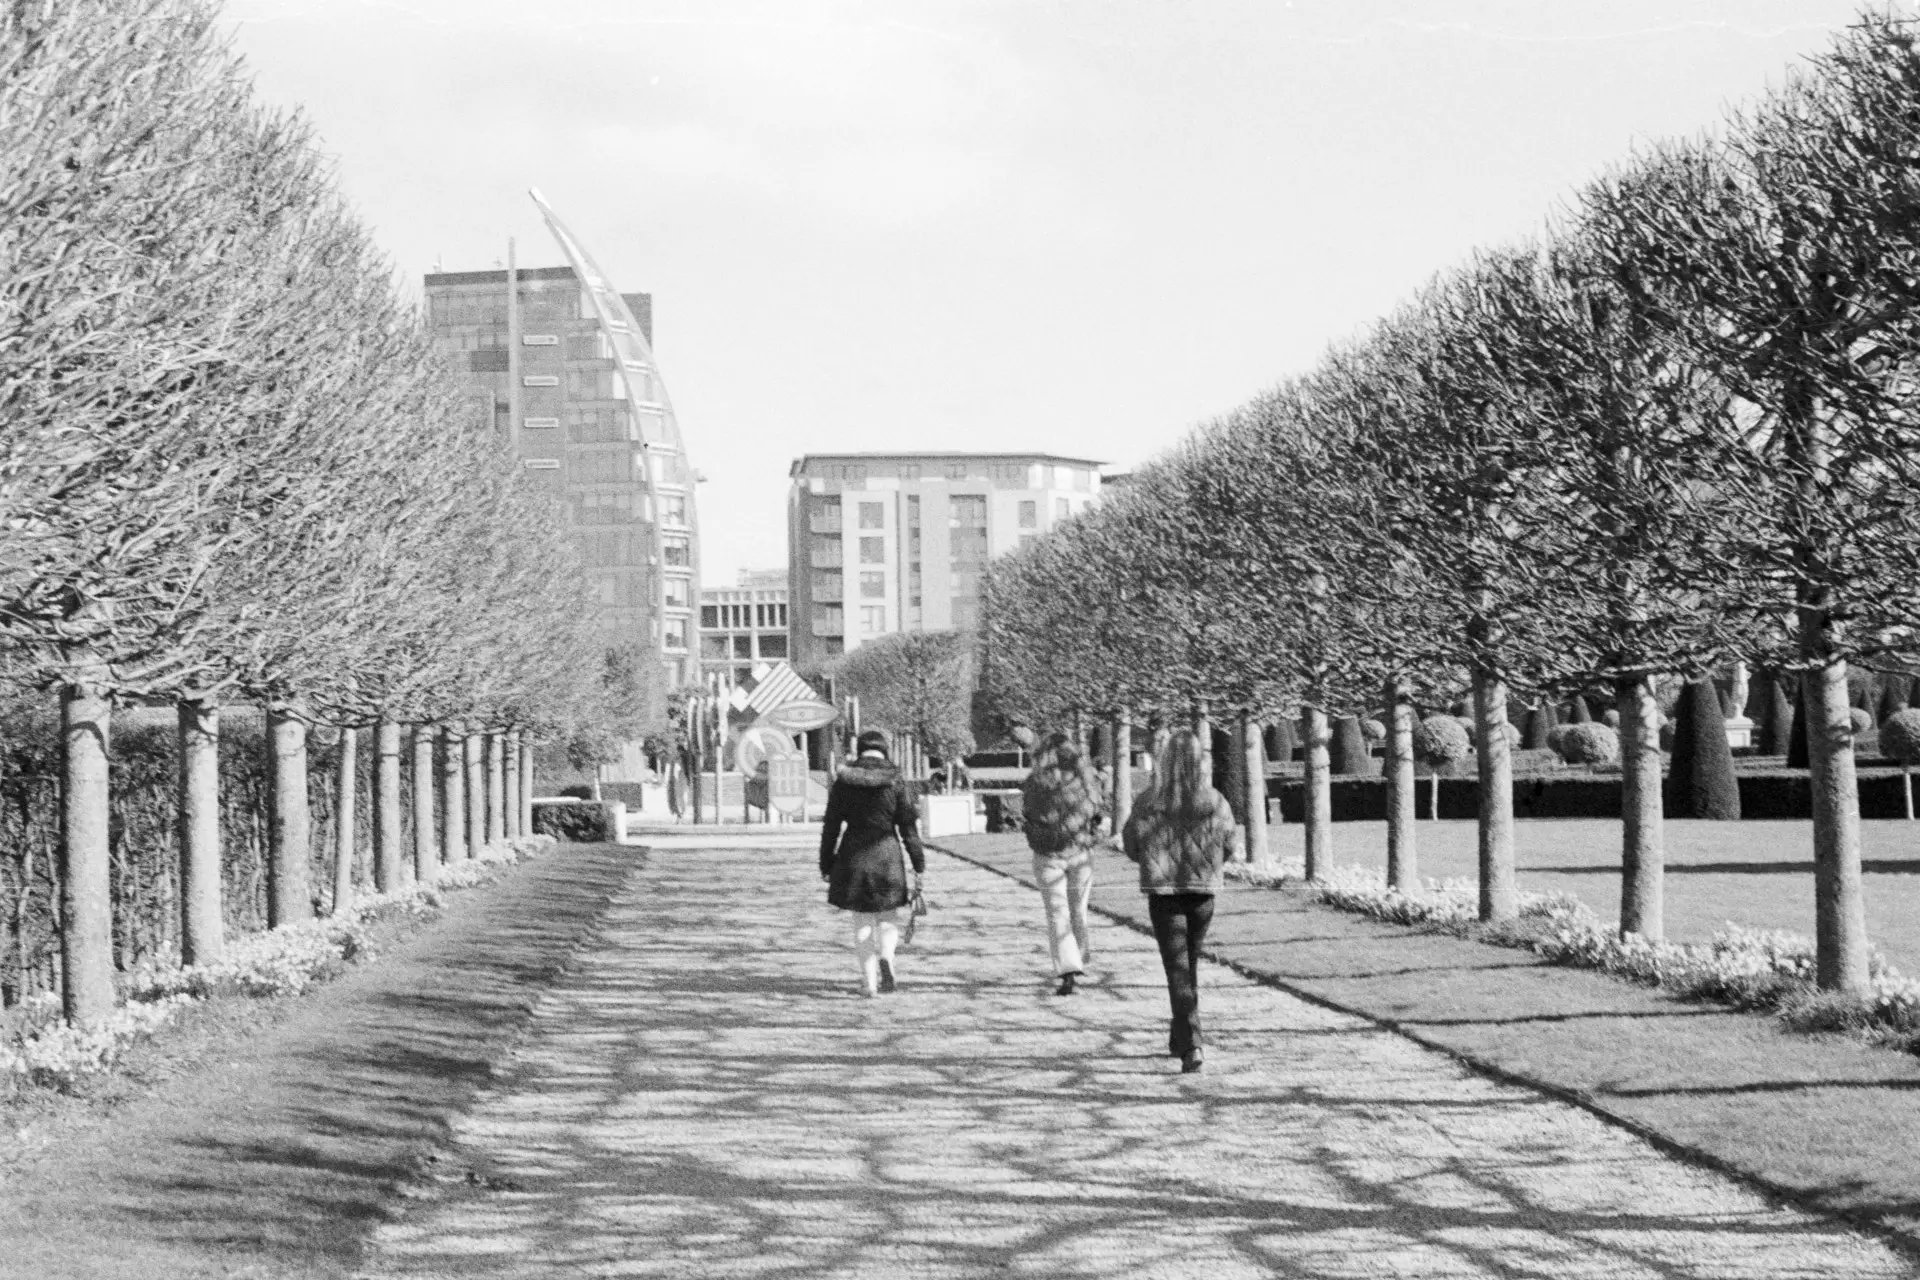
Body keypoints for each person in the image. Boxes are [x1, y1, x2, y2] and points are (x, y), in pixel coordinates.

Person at [1122, 729, 1240, 1073]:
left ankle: (1191, 1044)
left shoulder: (1149, 801)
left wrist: (1154, 860)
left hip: (1165, 894)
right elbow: (1230, 843)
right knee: (1188, 967)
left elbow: (1131, 844)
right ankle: (1181, 1037)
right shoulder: (1215, 800)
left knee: (1178, 970)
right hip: (1202, 893)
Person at [820, 730, 926, 997]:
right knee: (888, 916)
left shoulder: (844, 781)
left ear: (860, 751)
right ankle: (887, 957)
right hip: (887, 853)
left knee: (862, 921)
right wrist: (918, 863)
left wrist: (826, 863)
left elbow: (831, 826)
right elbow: (909, 828)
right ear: (885, 750)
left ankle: (869, 982)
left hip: (853, 854)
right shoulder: (896, 781)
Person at [1020, 732, 1108, 995]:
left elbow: (1027, 814)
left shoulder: (1034, 783)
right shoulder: (1085, 782)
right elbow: (1097, 810)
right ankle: (1080, 958)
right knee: (1078, 911)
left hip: (1048, 854)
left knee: (1058, 913)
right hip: (1080, 852)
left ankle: (1069, 968)